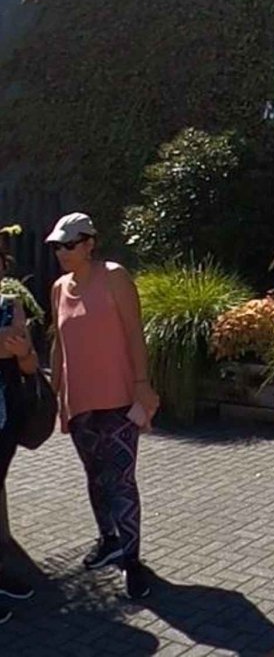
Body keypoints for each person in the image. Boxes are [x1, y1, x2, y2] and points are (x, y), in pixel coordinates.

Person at [47, 213, 158, 601]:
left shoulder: (114, 277)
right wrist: (55, 393)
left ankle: (132, 560)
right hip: (81, 404)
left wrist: (142, 385)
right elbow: (59, 345)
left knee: (122, 479)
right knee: (95, 476)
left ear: (89, 243)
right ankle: (109, 540)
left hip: (118, 399)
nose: (62, 252)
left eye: (69, 244)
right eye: (57, 246)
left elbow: (134, 334)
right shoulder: (59, 287)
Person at [0, 237, 41, 624]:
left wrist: (23, 351)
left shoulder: (10, 305)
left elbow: (27, 362)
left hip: (4, 422)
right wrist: (9, 345)